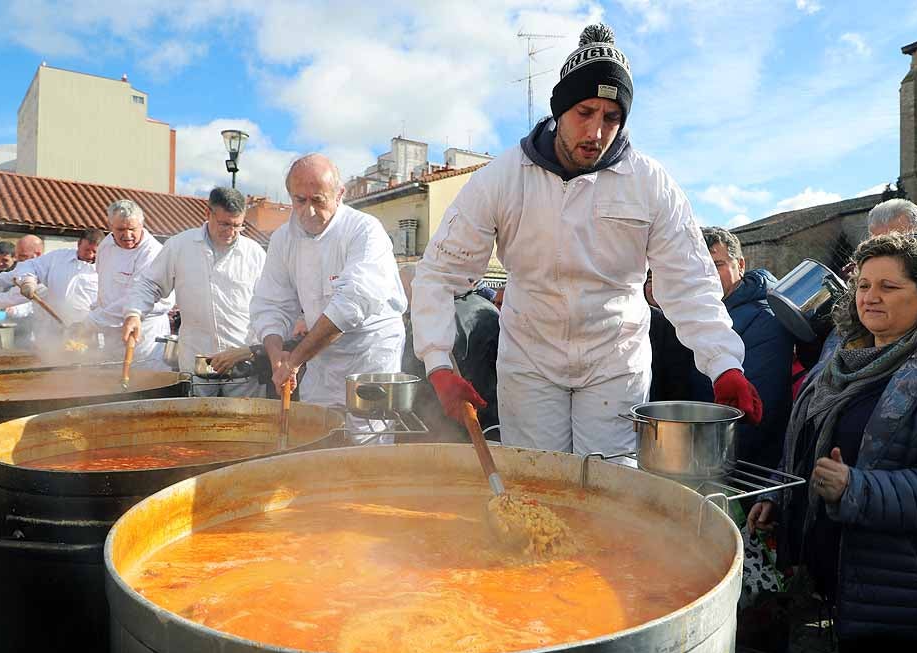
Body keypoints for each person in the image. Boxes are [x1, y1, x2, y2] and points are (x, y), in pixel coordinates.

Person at [411, 23, 761, 456]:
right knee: (538, 481)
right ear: (560, 109)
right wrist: (439, 364)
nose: (596, 131)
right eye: (584, 112)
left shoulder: (650, 184)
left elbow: (689, 281)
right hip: (530, 361)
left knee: (609, 485)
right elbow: (440, 273)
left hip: (614, 363)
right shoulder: (502, 179)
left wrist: (724, 363)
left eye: (611, 117)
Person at [747, 234, 917, 653]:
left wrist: (855, 488)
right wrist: (778, 491)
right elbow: (806, 447)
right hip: (842, 583)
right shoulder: (840, 359)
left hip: (903, 596)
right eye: (864, 285)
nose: (871, 297)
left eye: (889, 286)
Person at [248, 154, 407, 434]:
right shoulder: (282, 239)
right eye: (299, 200)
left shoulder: (364, 230)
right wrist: (277, 358)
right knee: (318, 432)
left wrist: (295, 360)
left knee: (367, 439)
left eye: (317, 200)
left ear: (339, 194)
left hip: (370, 353)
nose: (308, 211)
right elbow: (271, 304)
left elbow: (352, 304)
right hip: (319, 354)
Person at [123, 187, 266, 397]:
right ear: (208, 215)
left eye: (237, 226)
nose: (231, 231)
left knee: (244, 421)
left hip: (241, 360)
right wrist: (134, 313)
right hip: (196, 358)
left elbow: (268, 301)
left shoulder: (254, 253)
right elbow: (149, 284)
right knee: (197, 418)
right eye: (224, 224)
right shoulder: (180, 246)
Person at [690, 227, 794, 468]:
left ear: (741, 265)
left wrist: (708, 466)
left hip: (735, 466)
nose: (708, 276)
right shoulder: (697, 313)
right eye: (699, 267)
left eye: (717, 265)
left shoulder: (765, 320)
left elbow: (753, 413)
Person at [74, 200, 172, 368]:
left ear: (142, 224)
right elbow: (104, 286)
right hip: (111, 334)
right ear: (110, 225)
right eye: (120, 229)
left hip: (144, 337)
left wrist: (91, 323)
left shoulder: (152, 253)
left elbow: (136, 298)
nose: (127, 235)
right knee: (111, 383)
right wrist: (97, 310)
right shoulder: (106, 246)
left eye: (132, 229)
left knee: (144, 383)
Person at [8, 231, 102, 340]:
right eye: (86, 250)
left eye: (95, 251)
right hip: (54, 329)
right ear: (78, 244)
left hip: (88, 331)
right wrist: (28, 281)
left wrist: (88, 324)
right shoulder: (58, 258)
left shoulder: (106, 268)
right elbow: (29, 265)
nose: (90, 255)